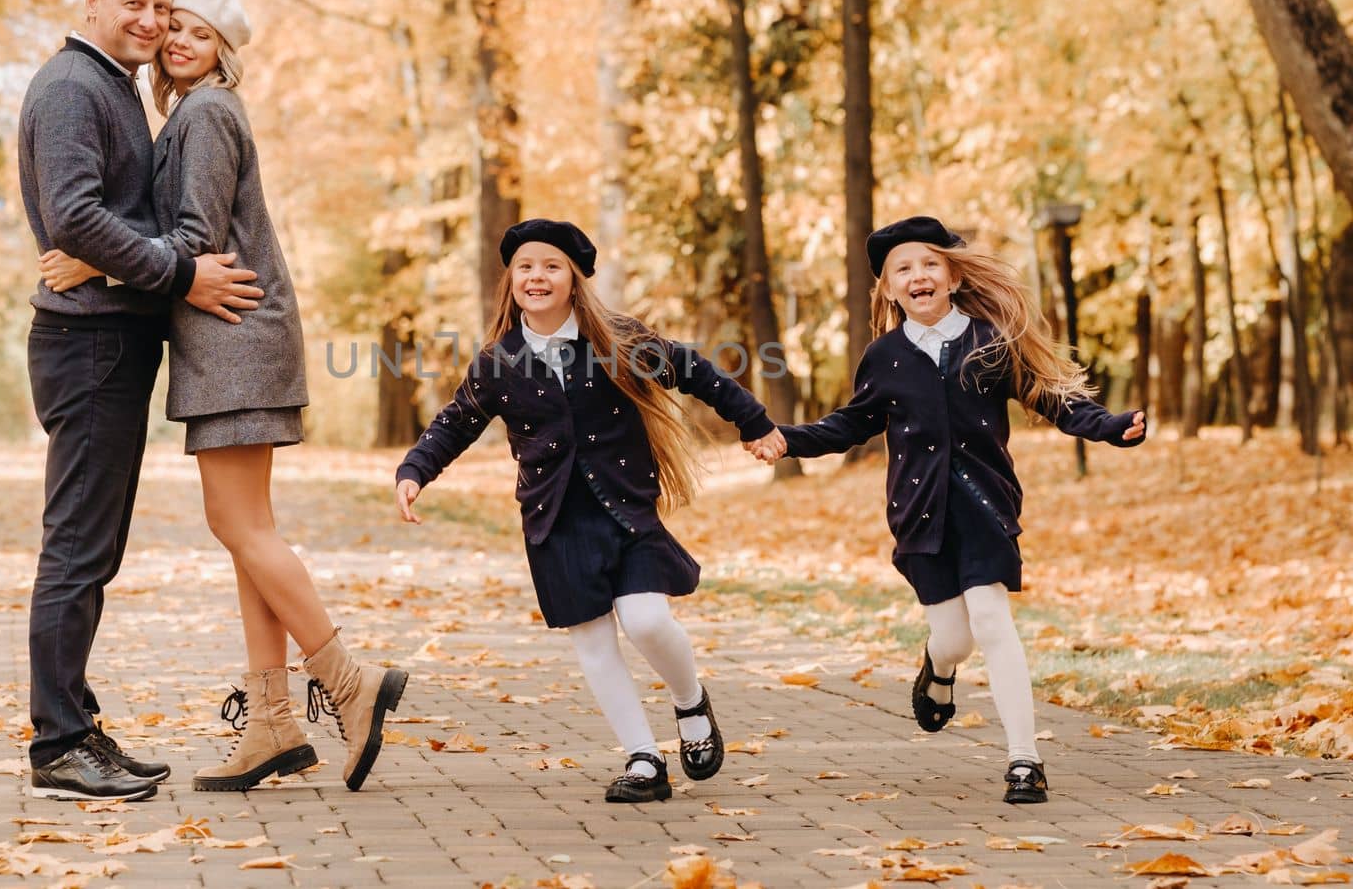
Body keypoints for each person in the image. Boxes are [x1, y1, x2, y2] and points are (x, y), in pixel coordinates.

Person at [41, 0, 408, 795]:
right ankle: (274, 722)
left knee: (237, 526)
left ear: (223, 52)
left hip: (236, 339)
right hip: (230, 344)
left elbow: (195, 240)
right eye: (173, 26)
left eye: (199, 33)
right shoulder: (189, 115)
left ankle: (348, 681)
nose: (176, 40)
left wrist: (94, 256)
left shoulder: (205, 114)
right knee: (249, 531)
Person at [394, 220, 787, 802]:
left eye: (552, 266)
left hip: (627, 508)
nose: (537, 276)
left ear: (573, 280)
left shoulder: (618, 341)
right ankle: (643, 760)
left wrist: (753, 422)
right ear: (511, 280)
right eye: (526, 266)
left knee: (648, 621)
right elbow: (457, 420)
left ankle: (690, 701)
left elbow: (695, 370)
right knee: (594, 642)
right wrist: (415, 470)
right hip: (555, 521)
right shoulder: (497, 362)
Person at [769, 216, 1145, 804]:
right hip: (920, 512)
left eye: (928, 264)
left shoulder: (991, 339)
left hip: (985, 505)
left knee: (992, 619)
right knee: (953, 637)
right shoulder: (885, 357)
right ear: (889, 289)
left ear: (950, 274)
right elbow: (851, 424)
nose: (918, 276)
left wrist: (1112, 427)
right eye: (903, 270)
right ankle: (937, 670)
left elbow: (1052, 399)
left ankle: (1026, 760)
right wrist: (787, 439)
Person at [18, 0, 264, 802]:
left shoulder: (111, 88)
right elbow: (76, 216)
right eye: (135, 3)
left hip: (110, 337)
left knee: (96, 545)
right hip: (86, 345)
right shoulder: (71, 89)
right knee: (78, 548)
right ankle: (57, 745)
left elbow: (112, 219)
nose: (152, 21)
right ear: (91, 0)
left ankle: (77, 724)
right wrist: (181, 270)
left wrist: (127, 264)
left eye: (163, 6)